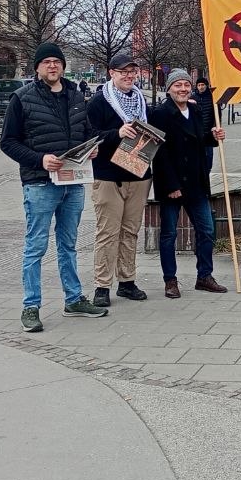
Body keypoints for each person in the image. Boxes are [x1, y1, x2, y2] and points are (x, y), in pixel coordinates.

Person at [0, 42, 107, 333]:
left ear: (63, 66)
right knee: (36, 247)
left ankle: (73, 299)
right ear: (37, 68)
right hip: (40, 184)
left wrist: (92, 148)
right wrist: (40, 160)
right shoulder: (22, 98)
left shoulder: (76, 95)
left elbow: (87, 133)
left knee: (68, 245)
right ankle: (31, 306)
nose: (52, 65)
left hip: (73, 183)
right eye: (46, 62)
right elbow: (8, 142)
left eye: (56, 61)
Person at [149, 69, 226, 298]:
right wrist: (171, 185)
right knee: (169, 234)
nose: (182, 89)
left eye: (186, 85)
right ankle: (170, 280)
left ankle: (204, 276)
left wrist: (213, 136)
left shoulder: (194, 109)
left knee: (206, 230)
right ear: (169, 88)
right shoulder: (160, 114)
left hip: (196, 182)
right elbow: (159, 154)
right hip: (172, 184)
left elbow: (200, 139)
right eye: (177, 85)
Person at [86, 52, 154, 307]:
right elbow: (89, 135)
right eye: (123, 71)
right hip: (108, 176)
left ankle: (127, 281)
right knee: (108, 232)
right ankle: (102, 285)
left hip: (138, 174)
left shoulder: (141, 100)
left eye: (132, 71)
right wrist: (116, 133)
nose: (129, 76)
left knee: (130, 232)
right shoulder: (99, 101)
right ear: (111, 73)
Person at [192, 76, 216, 171]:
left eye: (202, 85)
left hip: (208, 132)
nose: (201, 87)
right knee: (197, 156)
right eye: (199, 85)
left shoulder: (212, 97)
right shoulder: (193, 98)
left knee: (209, 156)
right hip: (196, 133)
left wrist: (215, 126)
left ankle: (207, 172)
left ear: (206, 85)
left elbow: (217, 114)